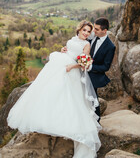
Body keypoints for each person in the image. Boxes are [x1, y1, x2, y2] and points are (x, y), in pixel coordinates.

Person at [7, 20, 101, 158]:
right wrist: (64, 49)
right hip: (61, 63)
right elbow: (70, 49)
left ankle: (64, 125)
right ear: (79, 29)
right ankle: (45, 119)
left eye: (88, 31)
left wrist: (71, 66)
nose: (86, 33)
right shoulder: (73, 39)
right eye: (84, 30)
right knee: (50, 90)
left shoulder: (87, 45)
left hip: (71, 70)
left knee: (69, 98)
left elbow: (84, 63)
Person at [62, 17, 115, 120]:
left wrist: (90, 67)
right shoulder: (91, 35)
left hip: (93, 74)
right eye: (93, 28)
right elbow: (78, 43)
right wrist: (65, 49)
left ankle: (96, 121)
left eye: (96, 29)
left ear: (104, 31)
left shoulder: (110, 46)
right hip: (79, 71)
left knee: (92, 99)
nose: (93, 31)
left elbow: (106, 66)